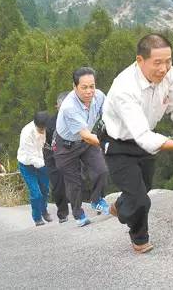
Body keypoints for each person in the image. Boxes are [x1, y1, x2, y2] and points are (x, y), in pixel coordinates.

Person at [101, 34, 173, 253]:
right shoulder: (124, 87)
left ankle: (121, 206)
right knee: (141, 201)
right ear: (140, 60)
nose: (164, 68)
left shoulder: (169, 74)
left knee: (144, 188)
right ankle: (140, 239)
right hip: (118, 144)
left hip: (145, 138)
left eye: (168, 61)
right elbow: (143, 136)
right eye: (158, 63)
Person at [54, 67, 110, 227]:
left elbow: (109, 115)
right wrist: (107, 143)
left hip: (86, 142)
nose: (89, 91)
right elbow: (85, 134)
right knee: (74, 182)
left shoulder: (99, 96)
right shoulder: (69, 107)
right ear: (75, 87)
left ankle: (96, 199)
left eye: (92, 86)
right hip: (66, 146)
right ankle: (79, 215)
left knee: (102, 170)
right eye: (84, 87)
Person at [18, 111, 52, 226]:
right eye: (40, 129)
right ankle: (37, 218)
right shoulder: (26, 133)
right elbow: (31, 156)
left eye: (44, 129)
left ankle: (44, 210)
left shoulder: (48, 127)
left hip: (42, 160)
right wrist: (47, 165)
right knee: (36, 192)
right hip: (27, 164)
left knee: (45, 189)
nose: (43, 131)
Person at [44, 92, 70, 223]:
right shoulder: (50, 123)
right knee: (58, 184)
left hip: (73, 152)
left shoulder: (77, 117)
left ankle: (96, 199)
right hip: (53, 154)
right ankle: (63, 213)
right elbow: (47, 141)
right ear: (57, 107)